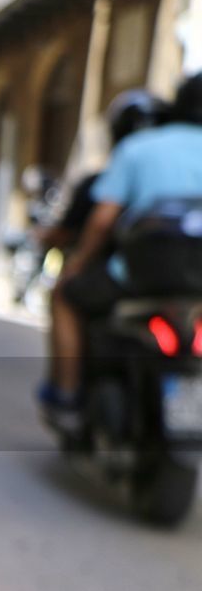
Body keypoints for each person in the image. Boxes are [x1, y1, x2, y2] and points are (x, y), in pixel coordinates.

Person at [41, 78, 202, 419]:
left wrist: (78, 264)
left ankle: (66, 394)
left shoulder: (141, 148)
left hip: (141, 276)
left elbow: (102, 221)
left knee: (65, 296)